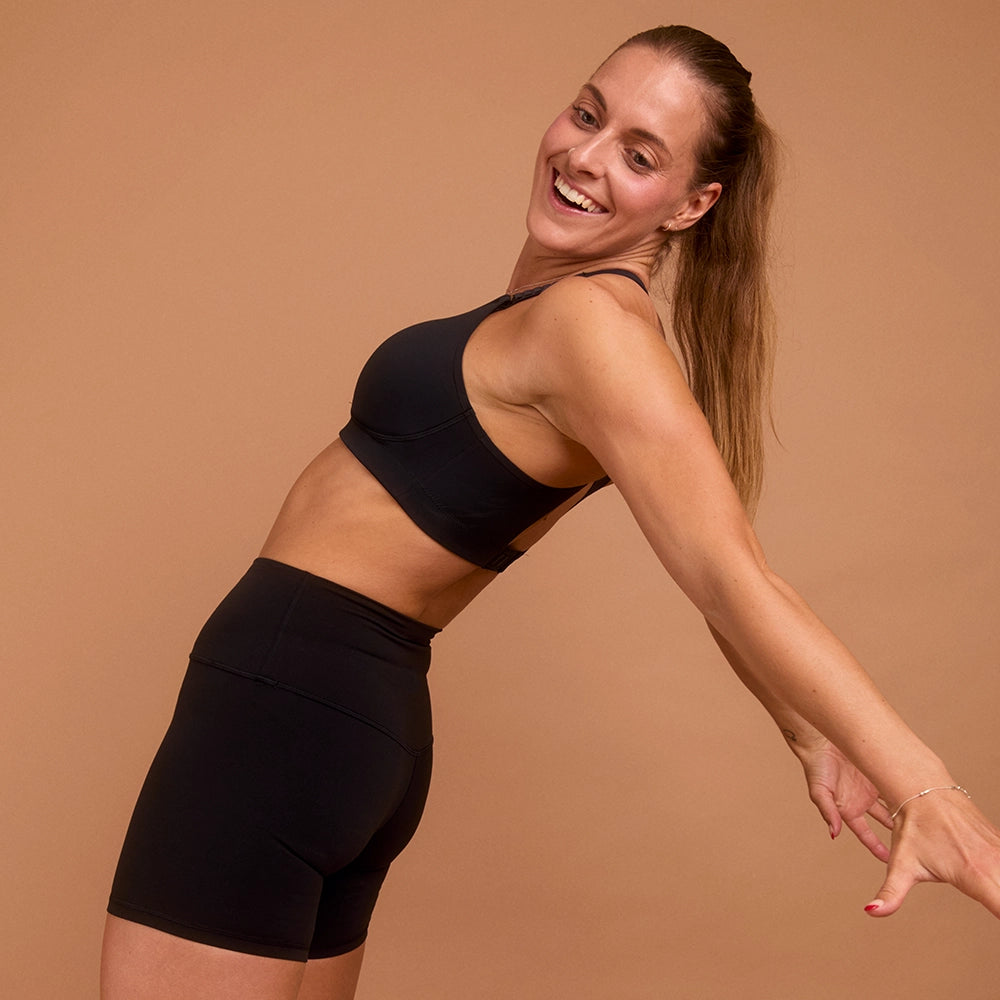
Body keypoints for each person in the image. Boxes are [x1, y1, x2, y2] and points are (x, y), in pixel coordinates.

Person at [100, 24, 1000, 1000]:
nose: (584, 156)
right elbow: (713, 572)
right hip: (353, 724)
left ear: (696, 203)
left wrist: (925, 784)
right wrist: (804, 730)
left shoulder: (587, 330)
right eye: (587, 112)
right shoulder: (600, 330)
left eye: (639, 154)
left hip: (281, 714)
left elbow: (731, 575)